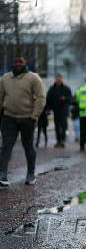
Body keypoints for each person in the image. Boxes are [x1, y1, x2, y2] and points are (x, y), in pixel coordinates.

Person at [0, 56, 46, 186]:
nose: (18, 64)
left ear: (25, 63)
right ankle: (2, 174)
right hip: (9, 118)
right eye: (15, 62)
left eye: (20, 62)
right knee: (6, 147)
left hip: (27, 118)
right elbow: (0, 97)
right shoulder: (5, 78)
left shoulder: (33, 78)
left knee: (28, 146)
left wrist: (34, 116)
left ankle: (31, 174)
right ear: (12, 63)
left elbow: (41, 98)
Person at [46, 73, 72, 148]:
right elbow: (48, 99)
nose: (58, 80)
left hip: (64, 110)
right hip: (56, 110)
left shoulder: (66, 88)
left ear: (62, 79)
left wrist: (65, 98)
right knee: (57, 126)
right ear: (55, 79)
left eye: (60, 78)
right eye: (57, 78)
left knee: (63, 126)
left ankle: (62, 140)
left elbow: (70, 99)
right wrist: (47, 109)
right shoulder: (52, 88)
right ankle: (58, 140)